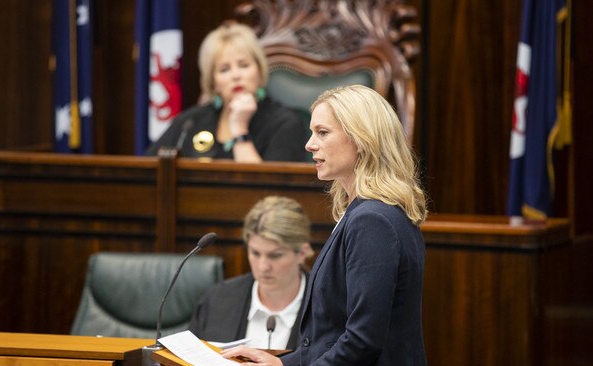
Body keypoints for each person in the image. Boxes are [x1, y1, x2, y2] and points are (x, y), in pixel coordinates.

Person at [221, 84, 428, 365]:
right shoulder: (368, 212)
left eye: (322, 132)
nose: (309, 144)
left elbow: (362, 342)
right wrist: (282, 363)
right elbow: (333, 337)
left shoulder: (372, 220)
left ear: (362, 138)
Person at [146, 23, 307, 162]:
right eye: (224, 69)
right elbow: (146, 172)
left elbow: (269, 190)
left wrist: (239, 130)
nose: (236, 75)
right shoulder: (190, 122)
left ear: (259, 71)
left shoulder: (284, 123)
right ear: (213, 81)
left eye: (244, 65)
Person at [189, 196, 314, 350]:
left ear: (302, 253)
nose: (263, 267)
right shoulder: (217, 301)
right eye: (255, 253)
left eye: (275, 255)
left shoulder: (327, 308)